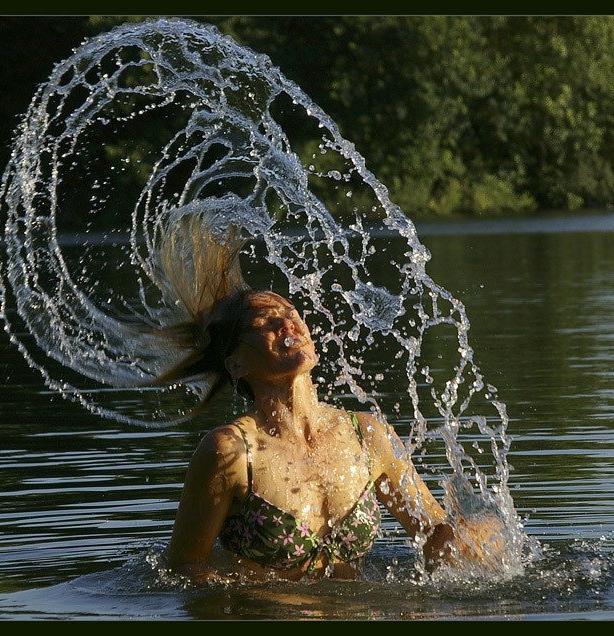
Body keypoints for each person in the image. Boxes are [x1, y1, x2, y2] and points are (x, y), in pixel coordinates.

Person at [150, 211, 498, 583]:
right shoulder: (229, 452)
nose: (288, 324)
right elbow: (185, 570)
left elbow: (435, 538)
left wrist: (486, 530)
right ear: (236, 365)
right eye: (264, 324)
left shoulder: (368, 437)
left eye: (291, 313)